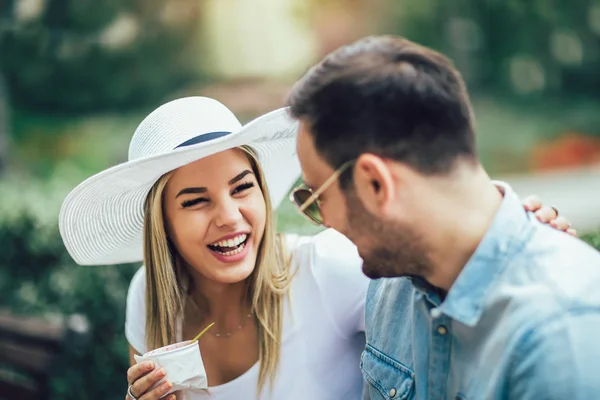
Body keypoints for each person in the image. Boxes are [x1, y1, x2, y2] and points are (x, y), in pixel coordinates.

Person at [59, 96, 570, 400]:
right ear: (162, 226)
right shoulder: (146, 297)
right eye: (195, 201)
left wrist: (514, 237)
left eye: (242, 188)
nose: (230, 217)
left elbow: (450, 280)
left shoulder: (328, 269)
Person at [286, 35, 600, 399]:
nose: (322, 220)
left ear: (375, 183)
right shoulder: (390, 287)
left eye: (315, 198)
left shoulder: (561, 338)